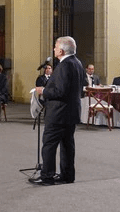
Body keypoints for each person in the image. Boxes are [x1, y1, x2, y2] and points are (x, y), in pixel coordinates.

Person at [31, 36, 85, 185]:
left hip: (58, 113)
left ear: (60, 50)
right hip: (71, 112)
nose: (54, 49)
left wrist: (44, 91)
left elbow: (60, 91)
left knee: (49, 144)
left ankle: (47, 176)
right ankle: (67, 175)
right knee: (67, 144)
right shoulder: (78, 63)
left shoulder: (64, 65)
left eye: (55, 46)